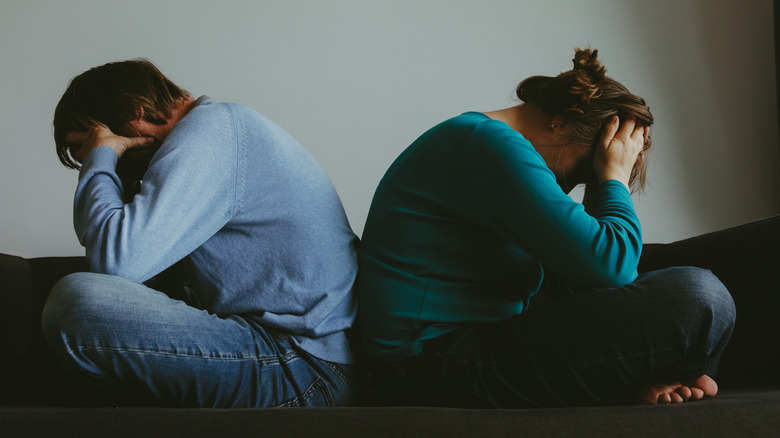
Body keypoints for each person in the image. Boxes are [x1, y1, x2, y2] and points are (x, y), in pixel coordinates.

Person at [358, 48, 736, 408]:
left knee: (684, 292)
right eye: (584, 171)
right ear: (562, 120)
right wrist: (614, 179)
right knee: (701, 296)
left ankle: (643, 377)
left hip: (457, 349)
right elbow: (611, 267)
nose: (567, 188)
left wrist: (601, 187)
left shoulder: (485, 145)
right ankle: (656, 374)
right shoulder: (488, 144)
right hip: (422, 363)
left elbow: (595, 283)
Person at [42, 59, 360, 408]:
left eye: (100, 141)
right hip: (295, 355)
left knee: (76, 304)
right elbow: (119, 268)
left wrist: (100, 158)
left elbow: (115, 262)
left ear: (134, 111)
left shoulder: (212, 130)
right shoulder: (221, 129)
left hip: (304, 367)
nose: (116, 163)